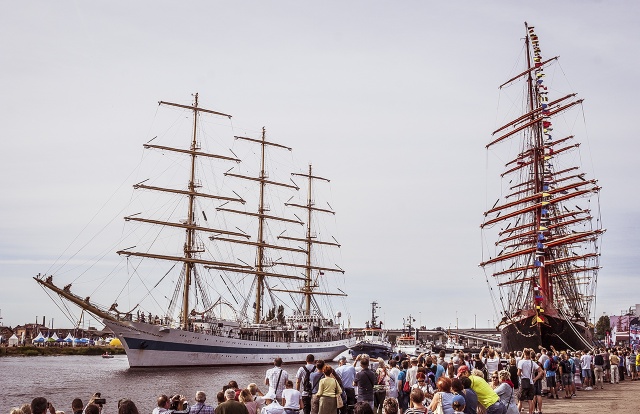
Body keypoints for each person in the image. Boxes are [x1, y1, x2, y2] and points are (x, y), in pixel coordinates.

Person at [517, 349, 543, 414]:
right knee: (530, 400)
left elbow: (518, 373)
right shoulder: (532, 362)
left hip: (523, 382)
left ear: (524, 354)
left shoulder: (521, 362)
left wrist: (520, 375)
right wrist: (535, 379)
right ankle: (531, 412)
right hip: (531, 382)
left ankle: (518, 412)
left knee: (520, 400)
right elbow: (541, 371)